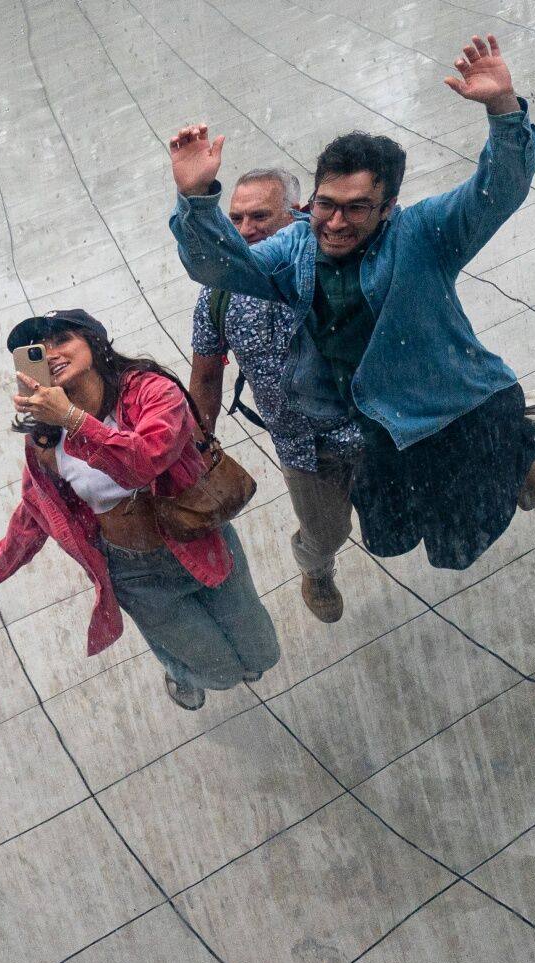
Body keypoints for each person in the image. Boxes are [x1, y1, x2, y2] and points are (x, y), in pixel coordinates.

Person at [168, 34, 535, 572]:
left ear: (389, 207)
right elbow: (219, 269)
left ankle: (518, 453)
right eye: (326, 206)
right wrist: (195, 201)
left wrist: (503, 110)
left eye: (358, 208)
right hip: (361, 431)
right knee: (397, 535)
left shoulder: (425, 232)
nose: (337, 224)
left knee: (468, 528)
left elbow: (500, 189)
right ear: (310, 201)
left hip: (449, 406)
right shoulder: (292, 247)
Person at [0, 309, 280, 711]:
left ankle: (205, 661)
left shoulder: (150, 390)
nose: (51, 353)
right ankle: (179, 671)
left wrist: (73, 420)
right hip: (136, 574)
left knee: (263, 655)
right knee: (220, 673)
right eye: (38, 349)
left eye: (62, 340)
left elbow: (145, 459)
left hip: (200, 539)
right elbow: (35, 514)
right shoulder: (45, 441)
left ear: (94, 341)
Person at [187, 167, 367, 624]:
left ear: (299, 215)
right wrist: (198, 447)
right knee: (323, 533)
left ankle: (512, 446)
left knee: (418, 500)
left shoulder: (340, 265)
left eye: (260, 216)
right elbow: (207, 378)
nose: (245, 230)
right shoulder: (217, 294)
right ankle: (317, 571)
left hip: (373, 424)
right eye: (237, 219)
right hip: (301, 449)